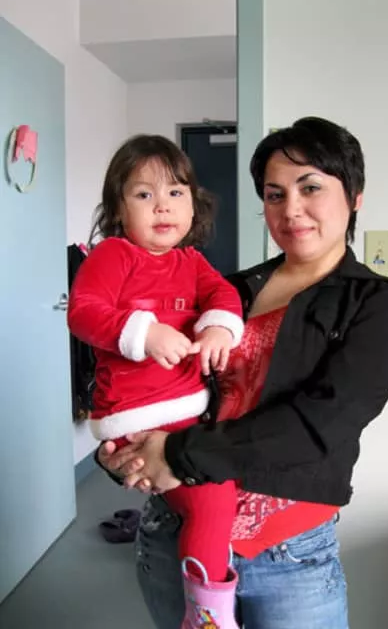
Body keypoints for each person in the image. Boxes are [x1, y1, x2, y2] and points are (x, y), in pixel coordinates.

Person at [97, 117, 388, 629]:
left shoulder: (378, 304)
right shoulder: (227, 292)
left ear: (354, 196)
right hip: (173, 535)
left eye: (310, 187)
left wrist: (175, 453)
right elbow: (147, 378)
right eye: (274, 194)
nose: (291, 209)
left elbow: (321, 424)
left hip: (289, 559)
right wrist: (124, 453)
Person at [68, 134, 245, 628]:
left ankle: (206, 604)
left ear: (193, 204)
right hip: (135, 413)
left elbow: (224, 294)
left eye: (175, 192)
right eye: (144, 194)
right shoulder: (114, 255)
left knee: (211, 500)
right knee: (212, 497)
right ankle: (207, 616)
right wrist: (143, 333)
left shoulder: (192, 261)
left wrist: (218, 326)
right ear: (118, 210)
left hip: (184, 410)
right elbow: (83, 312)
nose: (162, 205)